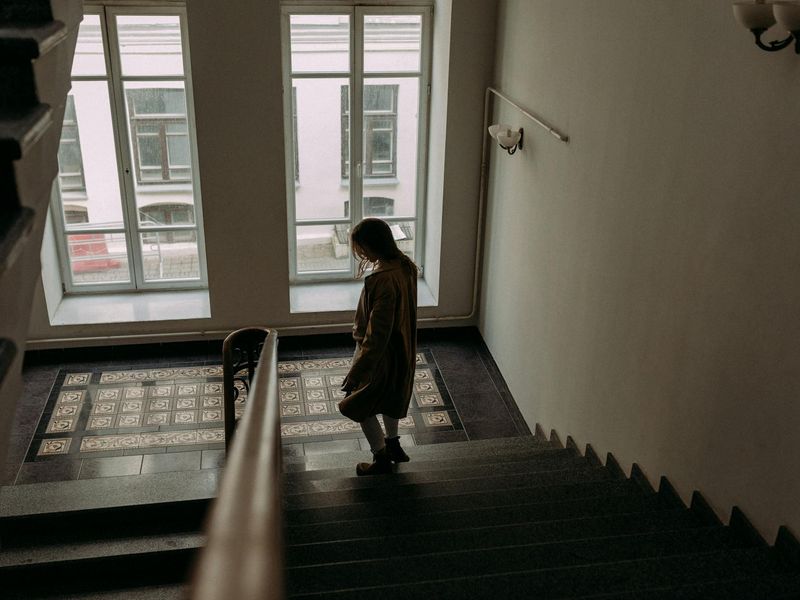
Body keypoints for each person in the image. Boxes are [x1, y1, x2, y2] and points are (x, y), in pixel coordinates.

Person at [340, 218, 418, 476]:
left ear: (369, 245)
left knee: (359, 404)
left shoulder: (381, 279)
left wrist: (358, 370)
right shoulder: (404, 266)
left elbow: (377, 333)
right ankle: (394, 444)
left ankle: (380, 455)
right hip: (401, 349)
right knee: (389, 398)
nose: (360, 253)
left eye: (360, 247)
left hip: (379, 355)